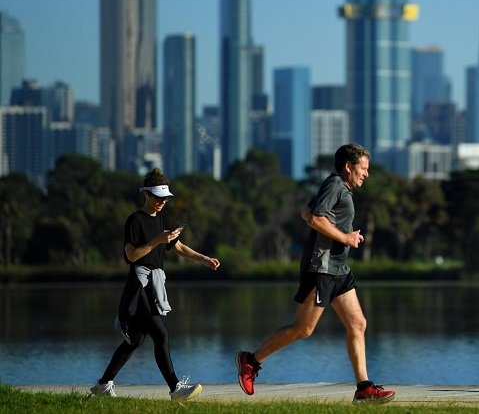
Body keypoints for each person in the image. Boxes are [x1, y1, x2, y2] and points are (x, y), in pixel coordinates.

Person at [235, 144, 395, 404]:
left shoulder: (336, 186)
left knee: (358, 324)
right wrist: (345, 236)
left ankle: (364, 389)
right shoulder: (335, 186)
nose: (367, 174)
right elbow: (315, 220)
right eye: (363, 168)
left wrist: (342, 239)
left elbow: (306, 211)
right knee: (304, 328)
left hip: (338, 268)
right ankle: (250, 361)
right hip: (321, 268)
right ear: (348, 166)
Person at [89, 168, 221, 401]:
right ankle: (175, 389)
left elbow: (177, 247)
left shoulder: (161, 219)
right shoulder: (135, 220)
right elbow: (131, 255)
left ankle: (103, 384)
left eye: (165, 198)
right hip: (139, 283)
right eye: (158, 197)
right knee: (160, 334)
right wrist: (157, 240)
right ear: (147, 195)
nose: (162, 202)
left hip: (154, 283)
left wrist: (203, 259)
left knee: (135, 339)